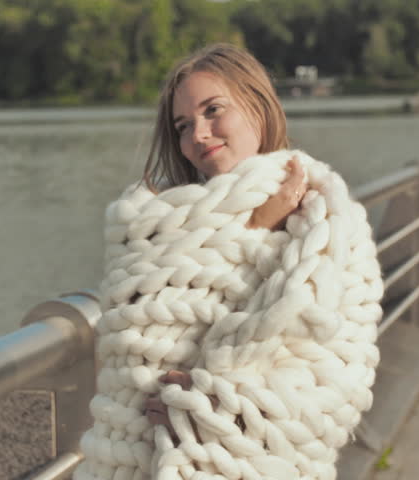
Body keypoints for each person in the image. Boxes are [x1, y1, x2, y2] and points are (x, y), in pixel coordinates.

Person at [139, 43, 309, 438]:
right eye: (182, 126)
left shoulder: (324, 219)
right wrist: (257, 225)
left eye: (214, 110)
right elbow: (138, 362)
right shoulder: (156, 224)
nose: (198, 134)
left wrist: (221, 413)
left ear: (259, 107)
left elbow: (334, 382)